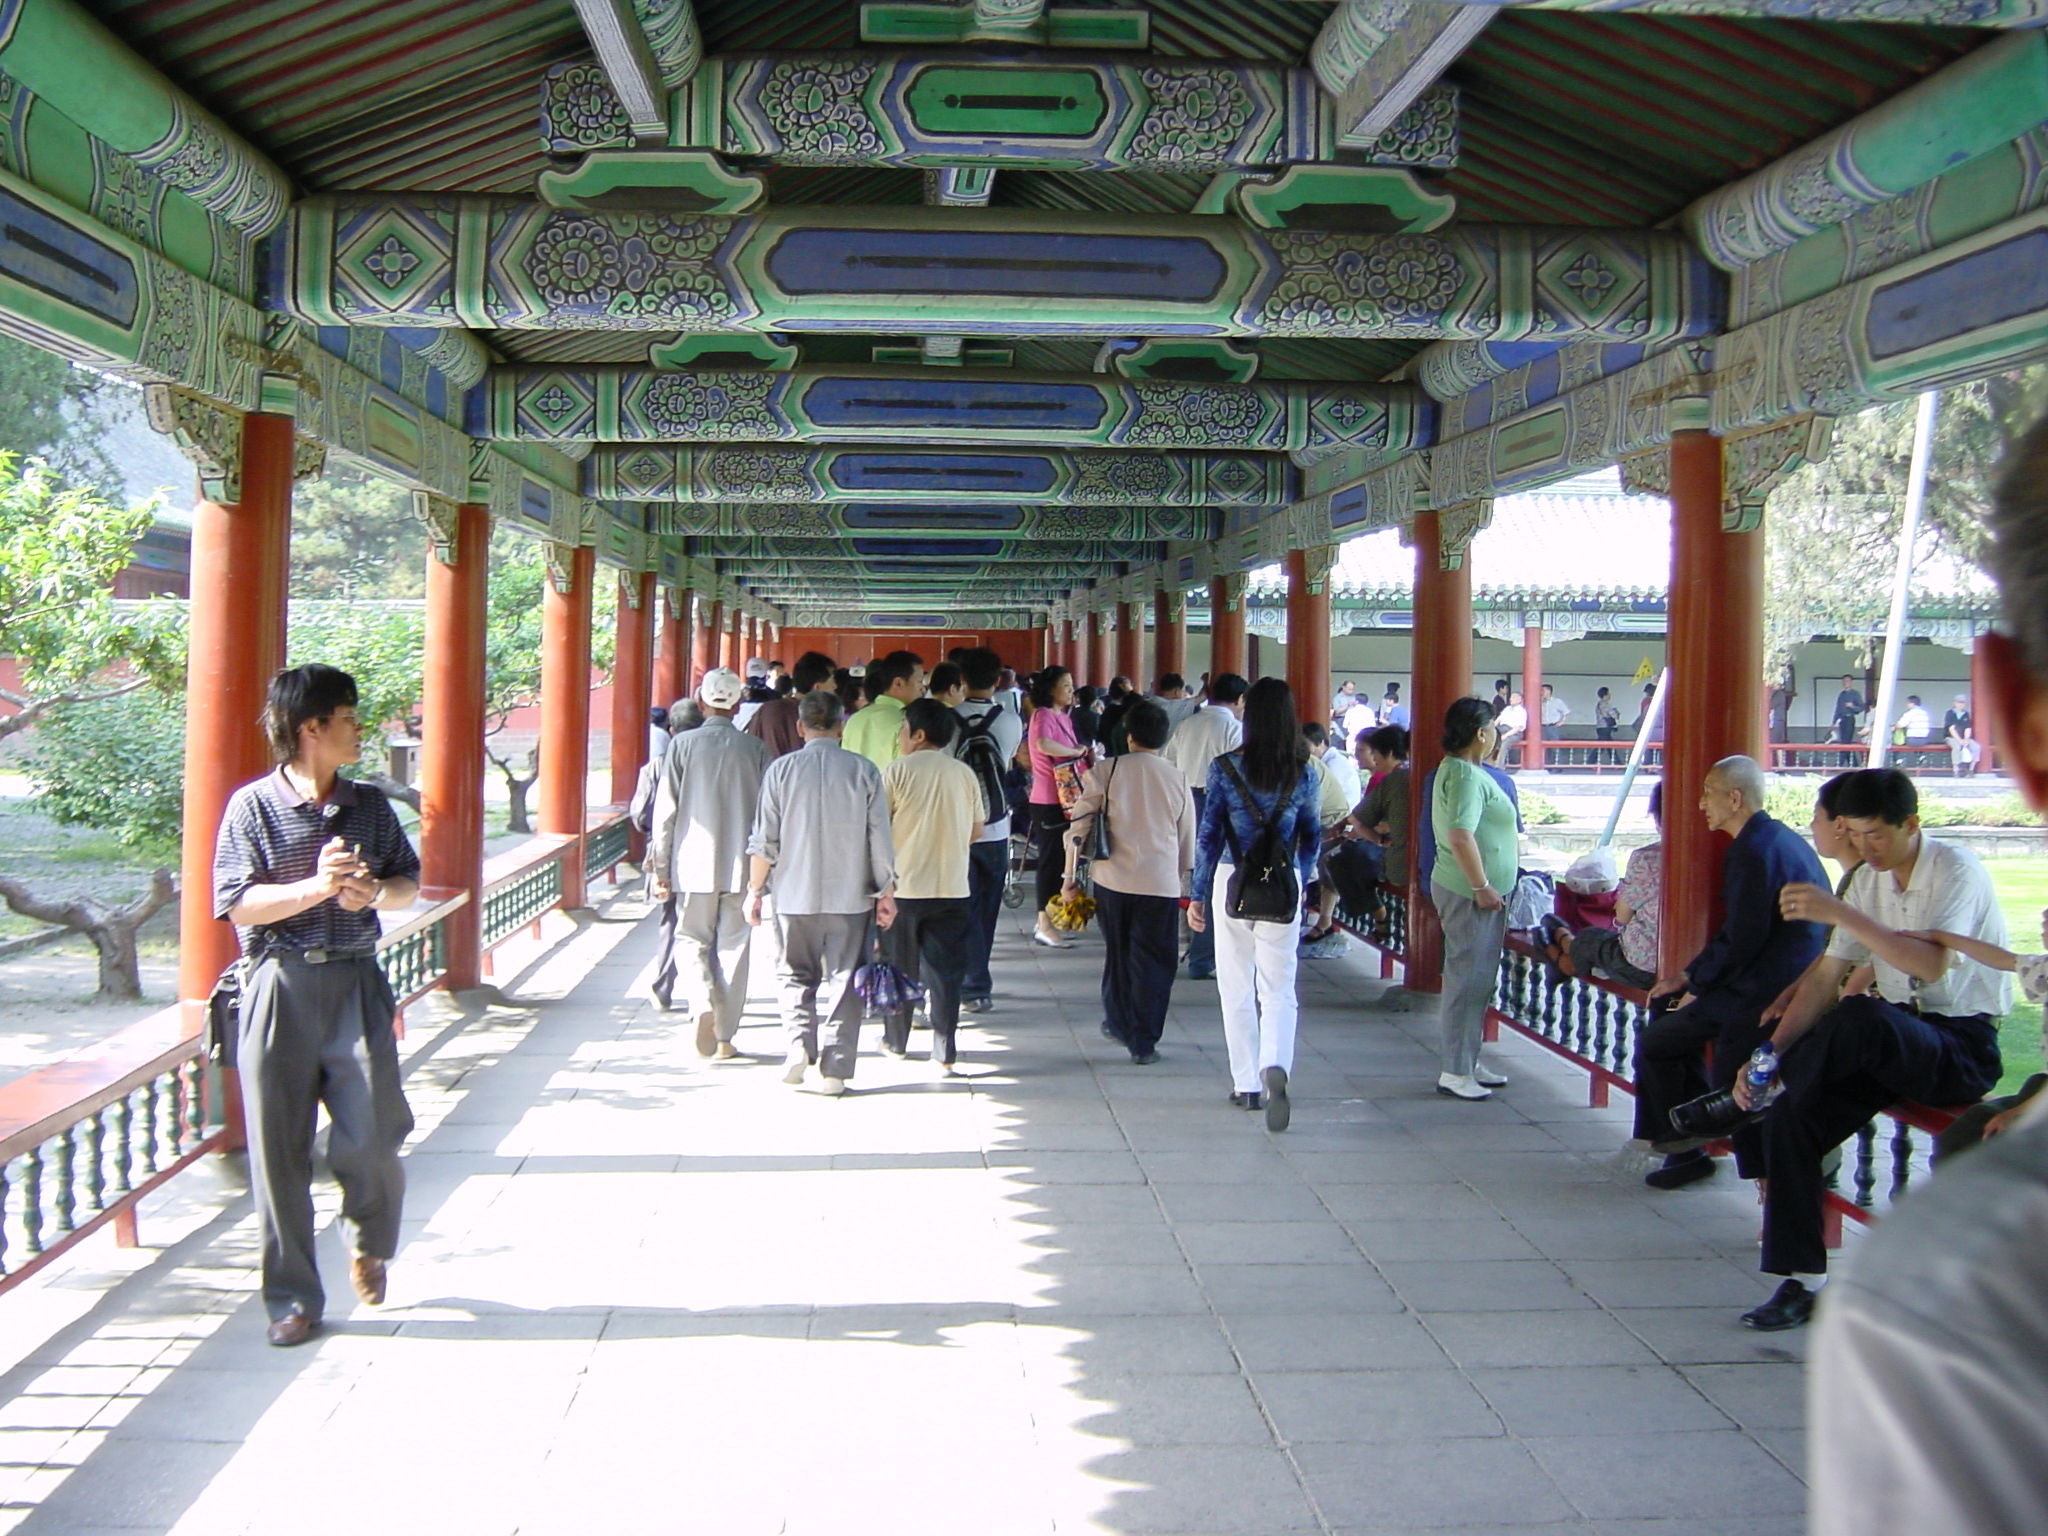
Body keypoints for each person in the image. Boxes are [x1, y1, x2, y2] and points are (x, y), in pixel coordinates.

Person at [1807, 411, 2048, 1534]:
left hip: (1954, 1043)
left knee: (1842, 1049)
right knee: (1807, 1048)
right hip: (1903, 1034)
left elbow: (1915, 963)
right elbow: (1839, 968)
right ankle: (1763, 1130)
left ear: (2008, 715)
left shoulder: (1974, 1292)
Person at [1739, 767, 2008, 1330]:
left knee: (1862, 1013)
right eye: (1854, 836)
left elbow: (1930, 965)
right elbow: (1825, 977)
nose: (1864, 848)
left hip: (1957, 1044)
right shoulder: (1867, 880)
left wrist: (1841, 913)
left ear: (1911, 823)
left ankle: (1754, 1104)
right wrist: (1769, 1054)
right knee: (1792, 1116)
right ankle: (1803, 1281)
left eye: (1875, 835)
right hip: (1887, 1042)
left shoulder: (1954, 869)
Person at [212, 664, 421, 1346]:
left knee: (377, 1131)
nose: (360, 727)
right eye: (349, 717)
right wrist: (317, 888)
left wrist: (369, 894)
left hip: (356, 980)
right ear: (312, 728)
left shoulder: (369, 805)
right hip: (279, 984)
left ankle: (368, 1236)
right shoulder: (252, 807)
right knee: (280, 1153)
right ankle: (293, 1300)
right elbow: (236, 902)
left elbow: (406, 885)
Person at [1623, 759, 1829, 1190]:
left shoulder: (1755, 851)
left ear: (1735, 798)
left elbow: (1743, 939)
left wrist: (1696, 984)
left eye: (1708, 793)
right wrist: (1689, 979)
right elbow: (1739, 936)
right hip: (1761, 976)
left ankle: (1693, 1147)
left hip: (1765, 990)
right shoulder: (1773, 840)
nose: (1700, 804)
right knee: (1666, 1016)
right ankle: (1681, 1143)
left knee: (1669, 1042)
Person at [745, 690, 896, 1097]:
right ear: (841, 725)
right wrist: (885, 889)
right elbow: (878, 836)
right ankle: (836, 1069)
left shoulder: (781, 771)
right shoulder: (864, 770)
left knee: (794, 973)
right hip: (851, 897)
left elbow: (764, 842)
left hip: (793, 894)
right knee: (846, 979)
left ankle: (797, 1045)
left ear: (800, 727)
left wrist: (754, 891)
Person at [1189, 677, 1322, 1132]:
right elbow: (1311, 837)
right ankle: (1274, 1065)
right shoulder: (1304, 772)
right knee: (1279, 988)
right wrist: (1304, 884)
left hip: (1233, 877)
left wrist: (1198, 894)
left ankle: (1245, 1083)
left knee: (1235, 984)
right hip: (1284, 883)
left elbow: (1208, 837)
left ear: (1249, 715)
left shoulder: (1225, 768)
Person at [647, 667, 772, 1058]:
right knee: (734, 947)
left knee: (690, 939)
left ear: (703, 702)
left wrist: (661, 869)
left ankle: (699, 1000)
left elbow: (665, 813)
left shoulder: (681, 747)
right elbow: (769, 816)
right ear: (737, 704)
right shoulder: (757, 750)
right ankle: (724, 1038)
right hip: (741, 864)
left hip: (692, 862)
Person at [1063, 700, 1196, 1066]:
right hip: (1160, 882)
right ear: (1164, 737)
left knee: (1119, 954)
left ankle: (1119, 1022)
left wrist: (1070, 877)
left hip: (1112, 879)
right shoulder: (1177, 777)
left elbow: (1079, 829)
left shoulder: (1106, 771)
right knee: (1154, 960)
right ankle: (1144, 1039)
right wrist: (1182, 878)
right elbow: (1187, 837)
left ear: (1128, 734)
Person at [879, 700, 982, 1074]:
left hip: (904, 889)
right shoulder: (963, 774)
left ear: (919, 735)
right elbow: (977, 830)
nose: (900, 736)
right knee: (945, 972)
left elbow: (878, 828)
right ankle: (944, 1048)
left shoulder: (895, 772)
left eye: (903, 729)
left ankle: (896, 1040)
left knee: (899, 966)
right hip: (953, 887)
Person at [1431, 697, 1517, 1101]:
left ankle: (1467, 1059)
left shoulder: (1468, 771)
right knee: (1466, 980)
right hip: (1468, 892)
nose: (1498, 734)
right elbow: (1461, 835)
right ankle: (1455, 1069)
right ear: (1481, 733)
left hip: (1476, 890)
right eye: (1495, 727)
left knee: (1479, 979)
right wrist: (1482, 885)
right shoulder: (1465, 776)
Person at [1163, 672, 1248, 980]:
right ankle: (1203, 955)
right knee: (1213, 880)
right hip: (1219, 805)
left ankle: (1195, 946)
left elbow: (1168, 764)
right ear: (1239, 700)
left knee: (1193, 876)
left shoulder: (1186, 726)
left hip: (1186, 802)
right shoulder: (1234, 729)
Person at [952, 648, 1023, 1014]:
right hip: (996, 827)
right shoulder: (1011, 721)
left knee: (961, 905)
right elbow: (1008, 763)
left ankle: (963, 979)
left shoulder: (947, 719)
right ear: (998, 681)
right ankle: (978, 983)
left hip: (957, 831)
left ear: (960, 680)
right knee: (987, 909)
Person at [1544, 781, 1664, 995]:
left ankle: (1566, 953)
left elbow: (1623, 916)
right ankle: (1566, 954)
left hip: (1645, 966)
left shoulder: (1649, 858)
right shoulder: (1727, 854)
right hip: (1702, 965)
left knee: (1592, 938)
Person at [1026, 666, 1089, 949]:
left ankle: (1050, 918)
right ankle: (1044, 923)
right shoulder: (1042, 715)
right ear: (1050, 689)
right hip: (1049, 798)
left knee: (1064, 860)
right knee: (1050, 863)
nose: (1070, 689)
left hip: (1067, 798)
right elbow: (1043, 744)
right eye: (1065, 684)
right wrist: (1076, 752)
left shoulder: (1063, 717)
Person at [842, 651, 925, 768]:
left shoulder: (855, 719)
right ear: (898, 683)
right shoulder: (905, 722)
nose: (923, 689)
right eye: (919, 682)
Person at [746, 651, 835, 759]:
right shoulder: (819, 716)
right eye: (832, 680)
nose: (835, 686)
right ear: (817, 687)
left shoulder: (765, 710)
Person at [1944, 693, 1981, 777]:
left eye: (1962, 703)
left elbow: (1968, 727)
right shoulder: (1950, 713)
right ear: (1954, 703)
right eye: (1958, 702)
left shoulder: (1966, 714)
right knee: (1956, 747)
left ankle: (1971, 769)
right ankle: (1956, 770)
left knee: (1976, 747)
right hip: (1951, 737)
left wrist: (1966, 739)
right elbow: (1951, 729)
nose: (1960, 705)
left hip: (1963, 737)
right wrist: (1960, 741)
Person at [1491, 691, 1528, 768]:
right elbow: (1498, 720)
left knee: (1503, 744)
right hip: (1501, 729)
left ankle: (1498, 767)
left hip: (1514, 733)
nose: (1511, 699)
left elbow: (1518, 727)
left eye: (1514, 697)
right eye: (1511, 697)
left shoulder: (1521, 711)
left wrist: (1506, 735)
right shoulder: (1507, 709)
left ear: (1520, 700)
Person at [1832, 674, 1866, 744]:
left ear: (1851, 682)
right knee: (1842, 740)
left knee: (1847, 740)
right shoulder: (1841, 694)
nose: (1845, 683)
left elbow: (1861, 707)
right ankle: (1843, 754)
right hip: (1841, 719)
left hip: (1849, 718)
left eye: (1847, 681)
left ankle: (1846, 754)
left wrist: (1852, 706)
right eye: (1844, 681)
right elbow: (1838, 709)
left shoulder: (1855, 694)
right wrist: (1834, 722)